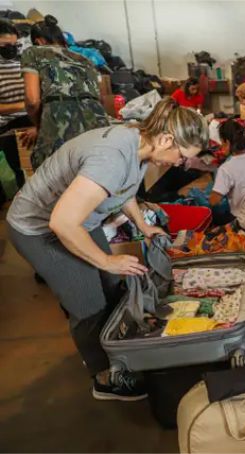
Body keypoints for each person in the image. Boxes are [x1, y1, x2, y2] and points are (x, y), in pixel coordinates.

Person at [6, 98, 208, 401]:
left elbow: (123, 190)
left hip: (81, 221)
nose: (179, 164)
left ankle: (119, 354)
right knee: (89, 305)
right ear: (167, 139)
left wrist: (142, 225)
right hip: (39, 230)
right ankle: (104, 377)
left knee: (113, 290)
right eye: (181, 157)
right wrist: (104, 260)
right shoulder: (112, 155)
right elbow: (62, 223)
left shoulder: (140, 146)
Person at [20, 15, 109, 170]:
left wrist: (40, 126)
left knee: (52, 174)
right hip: (98, 121)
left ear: (38, 41)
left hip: (59, 122)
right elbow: (100, 99)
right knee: (95, 170)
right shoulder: (84, 59)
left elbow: (32, 100)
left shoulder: (33, 52)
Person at [0, 19, 31, 193]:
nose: (11, 48)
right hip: (8, 128)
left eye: (15, 44)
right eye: (5, 45)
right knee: (22, 173)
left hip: (33, 121)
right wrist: (24, 105)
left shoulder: (25, 62)